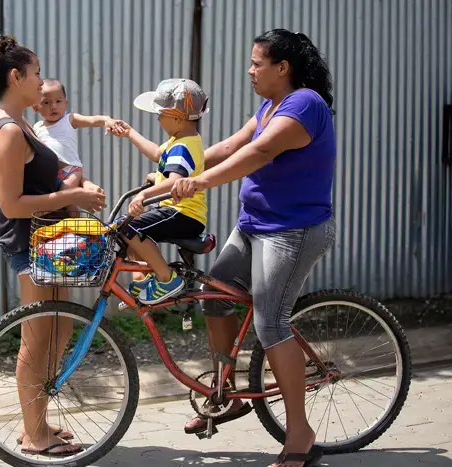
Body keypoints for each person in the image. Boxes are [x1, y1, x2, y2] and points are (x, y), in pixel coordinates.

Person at [171, 29, 337, 467]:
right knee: (216, 296)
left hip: (292, 231)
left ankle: (299, 434)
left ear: (282, 68)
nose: (250, 70)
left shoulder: (304, 104)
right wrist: (173, 168)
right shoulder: (269, 105)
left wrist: (199, 182)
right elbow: (229, 146)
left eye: (257, 62)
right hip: (252, 226)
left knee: (271, 323)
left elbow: (260, 152)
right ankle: (227, 394)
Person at [0, 34, 107, 457]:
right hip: (30, 245)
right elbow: (11, 203)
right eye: (35, 74)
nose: (41, 83)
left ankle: (36, 420)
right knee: (37, 339)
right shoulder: (9, 132)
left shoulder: (20, 125)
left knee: (61, 327)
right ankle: (33, 435)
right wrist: (69, 197)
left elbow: (45, 180)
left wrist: (78, 187)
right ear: (16, 77)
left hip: (51, 244)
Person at [110, 79, 209, 305]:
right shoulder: (181, 139)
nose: (158, 118)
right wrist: (130, 133)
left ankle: (166, 279)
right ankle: (146, 278)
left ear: (177, 117)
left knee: (130, 227)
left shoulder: (183, 146)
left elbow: (175, 179)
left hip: (184, 213)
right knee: (129, 228)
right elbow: (158, 154)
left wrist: (144, 195)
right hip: (177, 211)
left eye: (161, 114)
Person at [33, 78, 117, 216]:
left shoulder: (69, 120)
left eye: (58, 101)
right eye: (47, 102)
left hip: (70, 170)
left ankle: (74, 229)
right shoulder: (37, 127)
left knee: (67, 200)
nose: (53, 106)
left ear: (66, 103)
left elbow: (92, 120)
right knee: (57, 203)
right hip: (51, 174)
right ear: (36, 107)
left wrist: (106, 120)